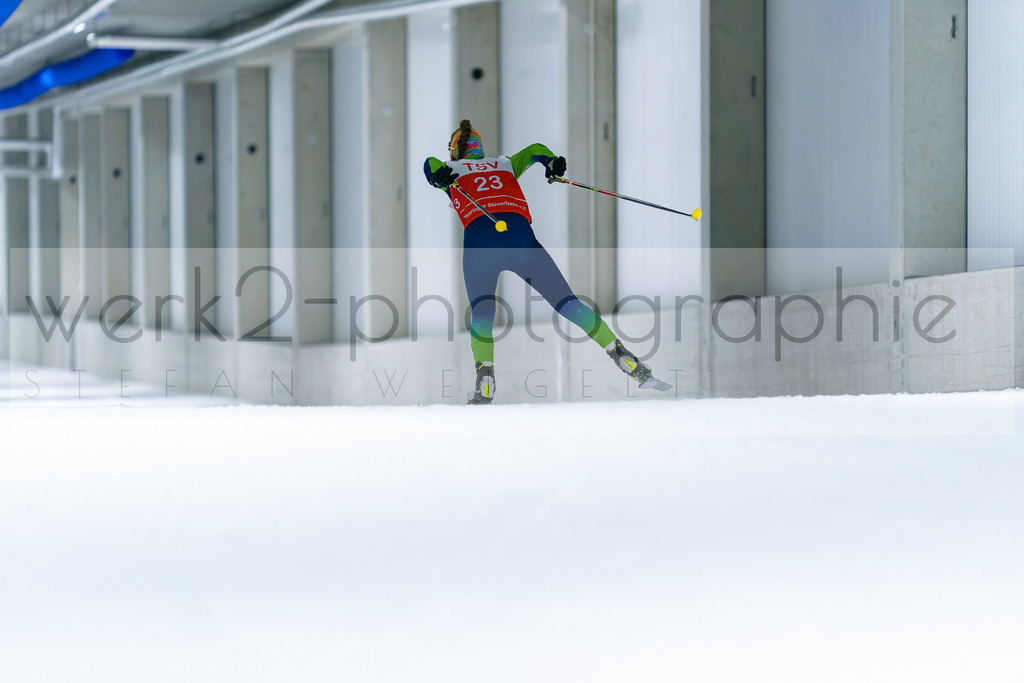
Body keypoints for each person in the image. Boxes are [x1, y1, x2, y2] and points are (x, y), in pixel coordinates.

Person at [424, 119, 667, 404]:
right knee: (569, 303)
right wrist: (551, 163)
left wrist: (437, 175)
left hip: (481, 243)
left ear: (454, 151)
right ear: (480, 147)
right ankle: (621, 354)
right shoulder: (504, 164)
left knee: (482, 315)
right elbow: (536, 149)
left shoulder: (451, 170)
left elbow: (429, 164)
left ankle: (485, 378)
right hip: (520, 238)